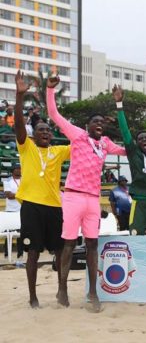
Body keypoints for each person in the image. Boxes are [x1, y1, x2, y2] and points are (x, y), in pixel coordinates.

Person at [47, 73, 126, 312]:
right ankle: (62, 288)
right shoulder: (77, 136)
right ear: (87, 126)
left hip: (93, 199)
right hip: (72, 196)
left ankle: (93, 293)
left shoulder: (105, 144)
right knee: (69, 244)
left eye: (102, 122)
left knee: (93, 244)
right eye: (95, 122)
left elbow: (127, 150)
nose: (99, 124)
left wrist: (120, 108)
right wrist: (50, 90)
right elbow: (54, 115)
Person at [13, 71, 70, 308]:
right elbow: (17, 124)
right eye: (41, 130)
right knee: (33, 253)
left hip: (55, 206)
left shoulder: (59, 152)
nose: (46, 133)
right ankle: (33, 297)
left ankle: (61, 291)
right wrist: (19, 96)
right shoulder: (26, 148)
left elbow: (78, 141)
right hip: (31, 206)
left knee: (58, 252)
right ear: (33, 135)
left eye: (48, 131)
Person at [113, 85, 146, 236]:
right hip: (139, 203)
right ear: (136, 143)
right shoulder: (133, 153)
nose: (144, 140)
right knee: (135, 237)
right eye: (141, 138)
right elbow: (124, 130)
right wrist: (119, 105)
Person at [3, 163, 23, 260]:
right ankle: (7, 254)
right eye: (17, 168)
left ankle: (20, 254)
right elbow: (9, 196)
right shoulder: (7, 181)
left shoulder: (25, 180)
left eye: (20, 168)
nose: (19, 170)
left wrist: (15, 194)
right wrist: (21, 195)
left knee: (21, 233)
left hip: (22, 210)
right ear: (13, 170)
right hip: (10, 210)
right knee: (9, 233)